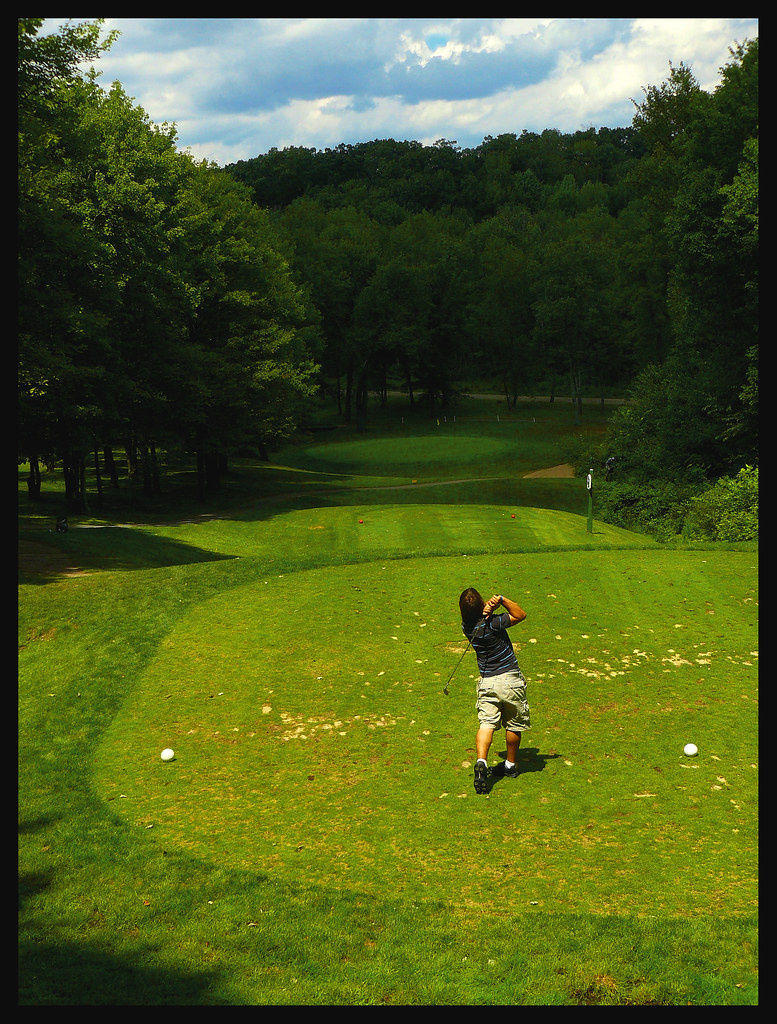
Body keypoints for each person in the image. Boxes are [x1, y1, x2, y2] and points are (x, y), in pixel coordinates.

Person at [458, 587, 530, 794]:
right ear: (482, 605)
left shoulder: (467, 627)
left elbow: (479, 617)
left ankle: (481, 761)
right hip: (510, 680)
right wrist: (500, 599)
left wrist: (487, 609)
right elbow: (520, 615)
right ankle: (510, 765)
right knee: (514, 724)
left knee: (486, 724)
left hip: (487, 682)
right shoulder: (494, 623)